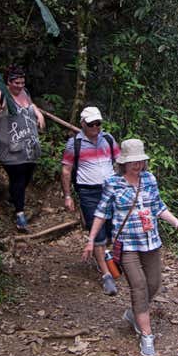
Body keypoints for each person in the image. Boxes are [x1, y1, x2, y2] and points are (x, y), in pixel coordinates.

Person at [81, 139, 178, 356]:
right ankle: (146, 334)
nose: (137, 165)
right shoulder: (112, 183)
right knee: (139, 285)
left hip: (150, 241)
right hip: (127, 244)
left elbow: (158, 207)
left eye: (140, 161)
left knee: (154, 283)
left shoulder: (149, 179)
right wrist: (91, 240)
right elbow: (101, 212)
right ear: (123, 162)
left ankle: (134, 313)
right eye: (133, 161)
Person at [61, 106, 120, 295]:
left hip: (111, 190)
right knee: (98, 234)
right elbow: (66, 170)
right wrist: (68, 196)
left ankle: (108, 258)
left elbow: (120, 162)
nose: (95, 127)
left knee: (112, 230)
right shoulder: (74, 144)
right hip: (88, 193)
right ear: (83, 124)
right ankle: (106, 275)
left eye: (98, 123)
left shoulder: (108, 139)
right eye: (91, 124)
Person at [0, 65, 45, 231]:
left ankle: (13, 198)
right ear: (8, 82)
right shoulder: (0, 95)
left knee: (27, 175)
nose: (20, 86)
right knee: (18, 177)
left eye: (22, 82)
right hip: (9, 145)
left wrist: (38, 113)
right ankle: (20, 214)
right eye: (16, 83)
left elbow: (31, 105)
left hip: (29, 145)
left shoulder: (25, 92)